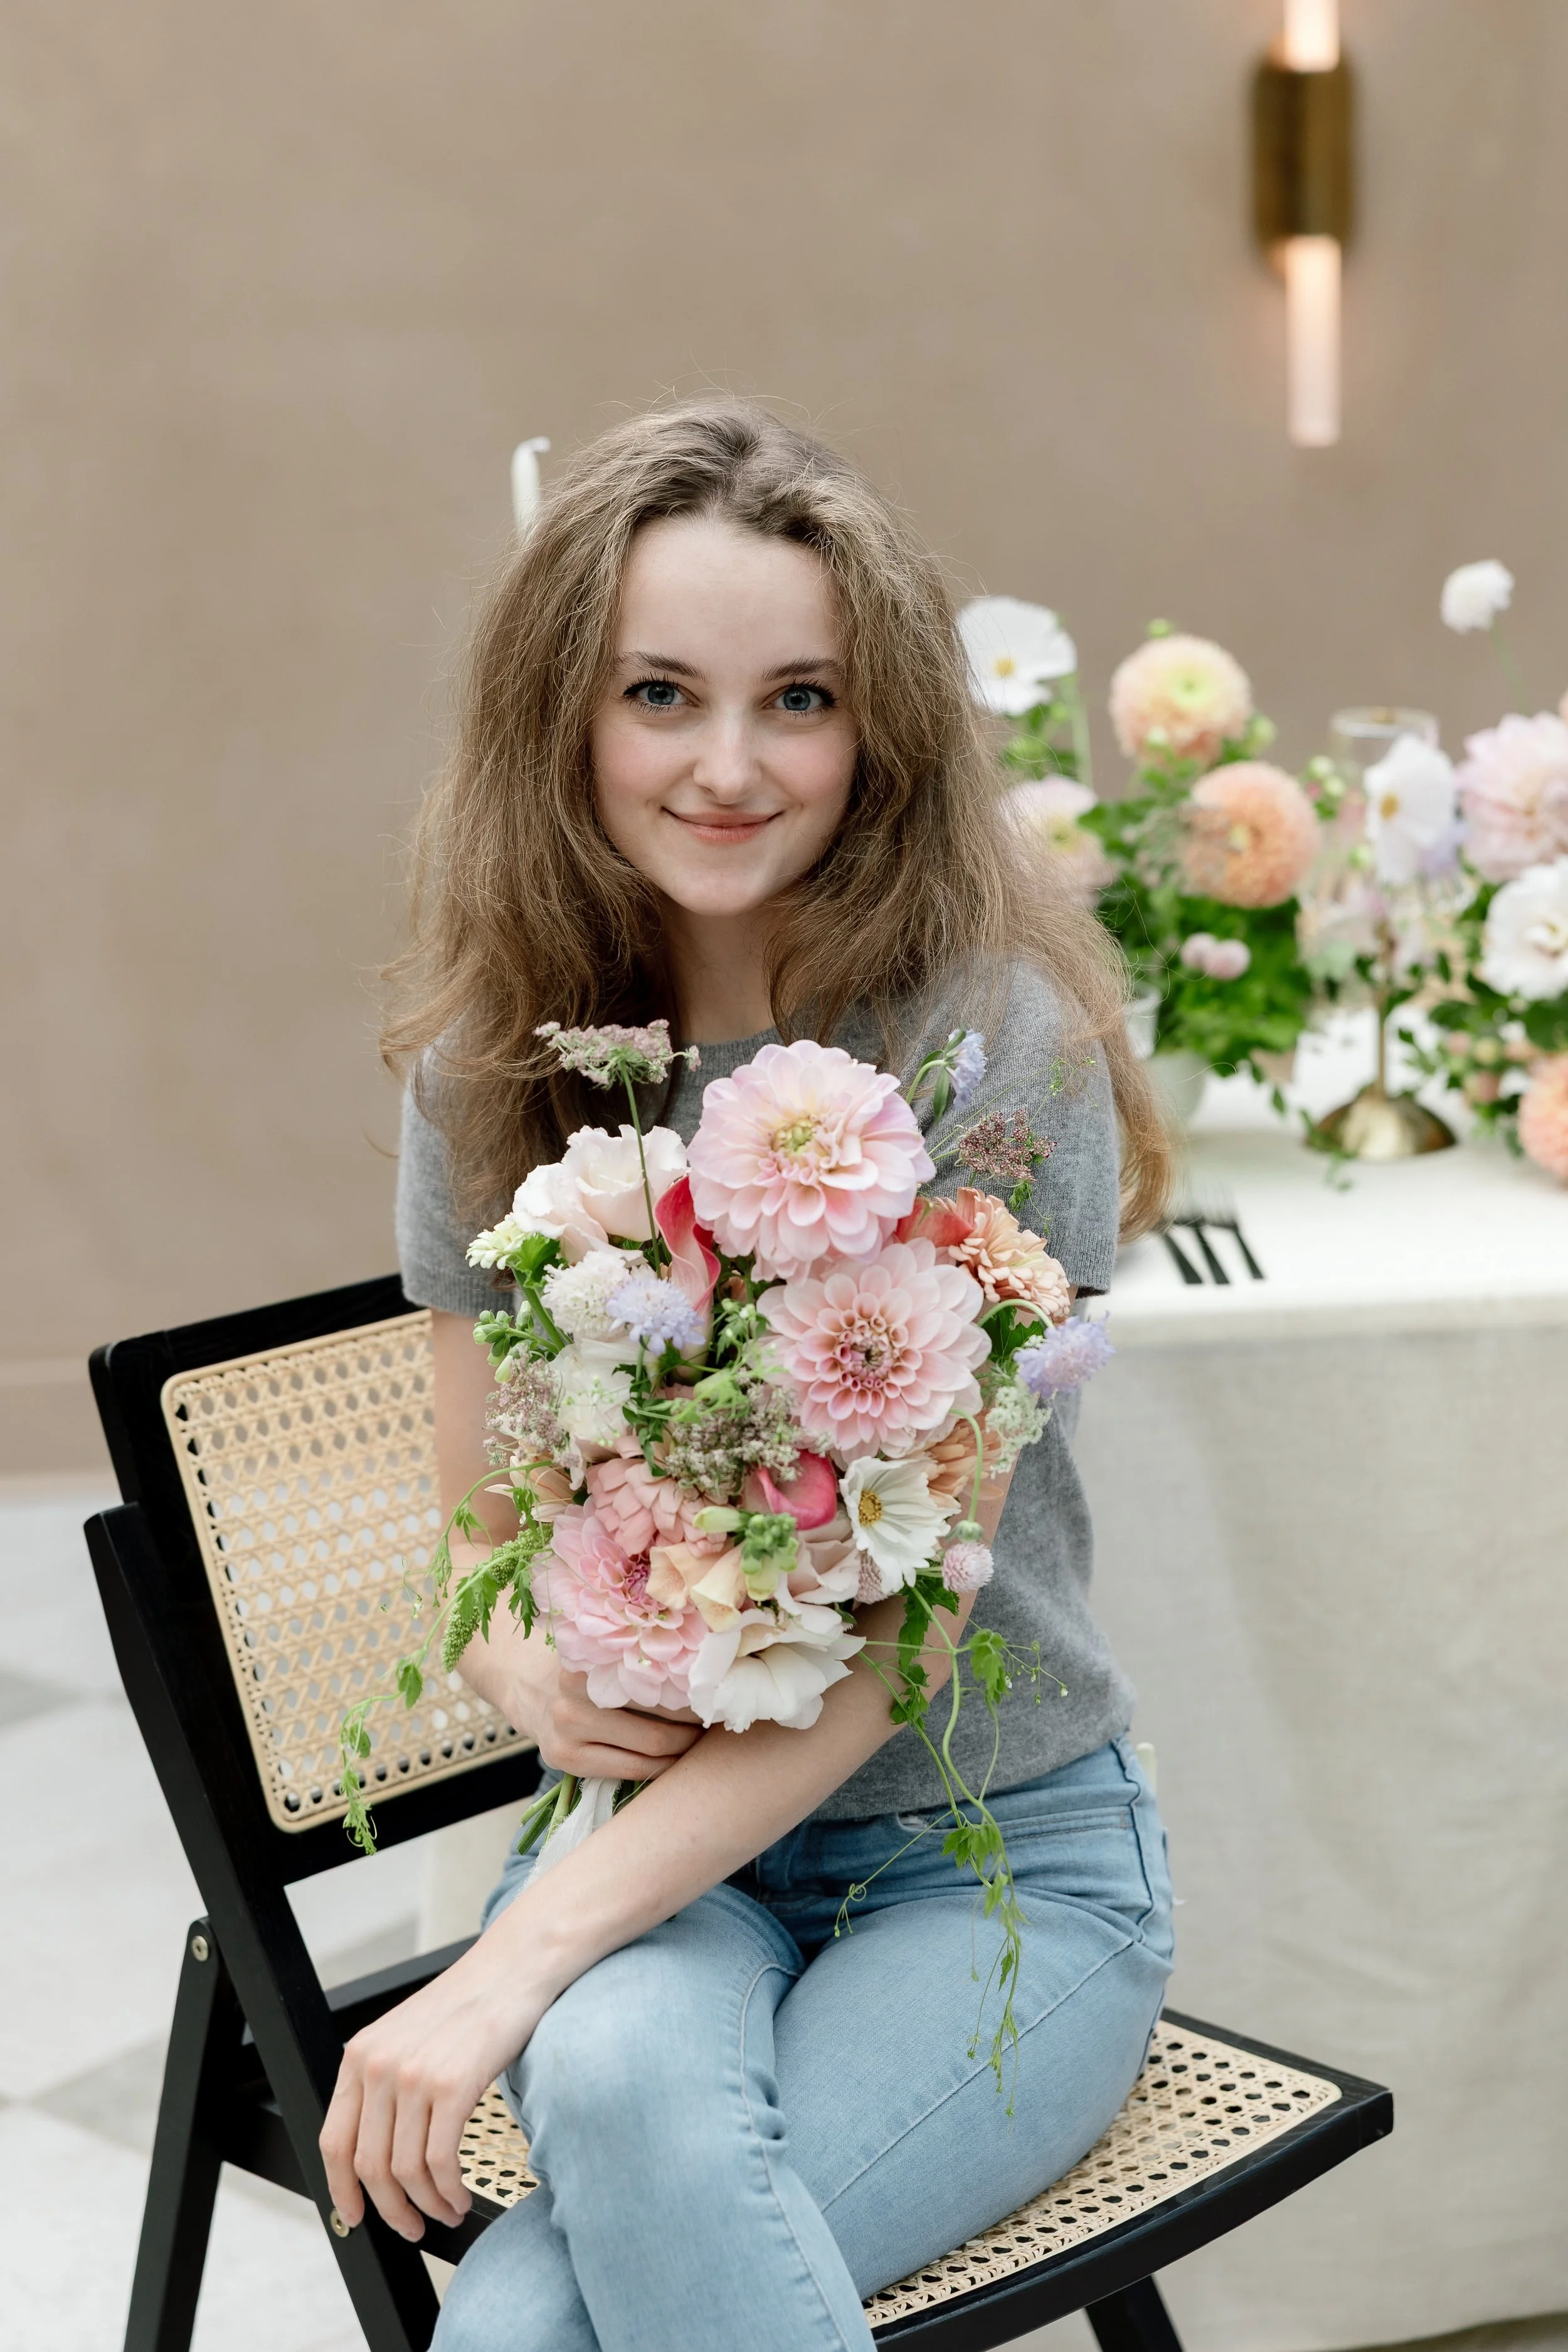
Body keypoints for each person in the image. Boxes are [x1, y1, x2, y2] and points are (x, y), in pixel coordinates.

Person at [320, 400, 1175, 2352]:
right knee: (619, 2088)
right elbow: (483, 1524)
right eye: (659, 694)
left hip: (998, 1861)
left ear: (878, 730)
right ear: (566, 716)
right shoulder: (495, 1059)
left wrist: (500, 1963)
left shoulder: (983, 1051)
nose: (729, 764)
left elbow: (890, 1646)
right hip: (661, 1849)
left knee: (523, 2325)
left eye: (798, 697)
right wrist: (516, 1651)